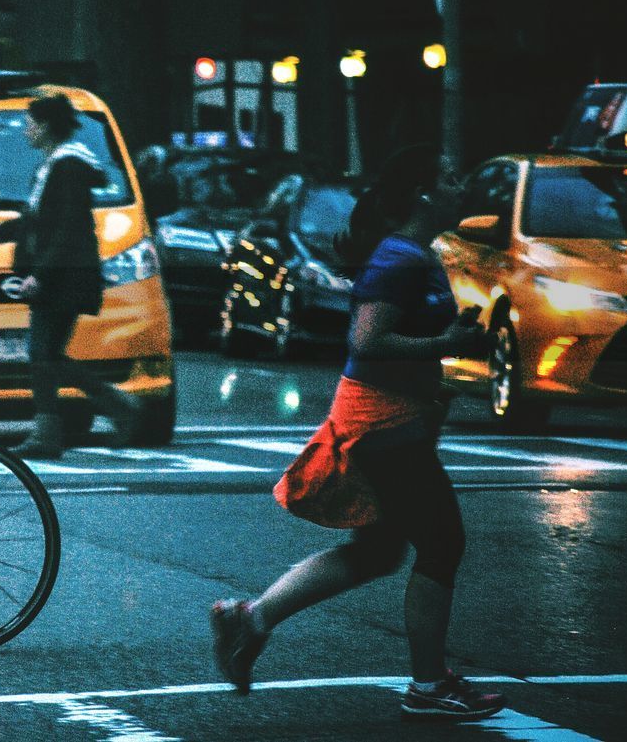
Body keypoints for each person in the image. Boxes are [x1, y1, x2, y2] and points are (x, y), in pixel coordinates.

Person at [209, 145, 509, 721]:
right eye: (448, 176)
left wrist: (444, 349)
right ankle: (429, 685)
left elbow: (393, 335)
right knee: (443, 544)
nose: (459, 184)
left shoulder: (414, 252)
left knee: (377, 551)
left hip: (392, 420)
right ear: (423, 194)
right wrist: (447, 345)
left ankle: (249, 619)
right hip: (382, 424)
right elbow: (368, 341)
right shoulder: (400, 256)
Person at [0, 93, 138, 459]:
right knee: (47, 353)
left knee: (42, 353)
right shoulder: (54, 165)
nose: (26, 131)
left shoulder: (67, 167)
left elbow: (67, 228)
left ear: (47, 126)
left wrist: (39, 274)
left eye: (30, 124)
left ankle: (55, 430)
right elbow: (44, 221)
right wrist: (2, 233)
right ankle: (112, 408)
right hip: (61, 275)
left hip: (63, 277)